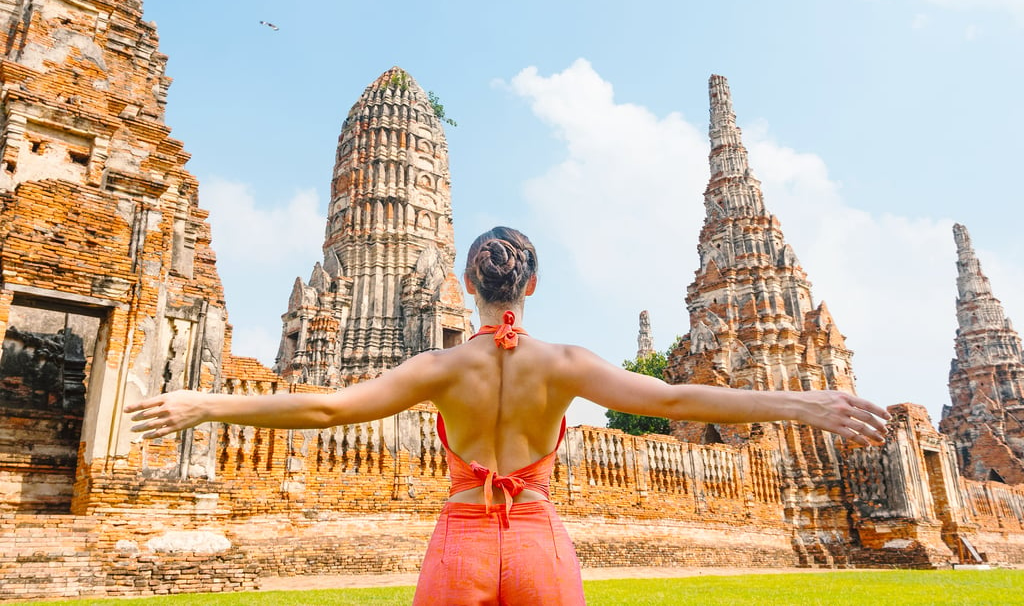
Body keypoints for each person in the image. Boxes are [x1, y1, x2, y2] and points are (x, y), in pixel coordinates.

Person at [126, 226, 890, 605]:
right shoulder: (563, 363)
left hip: (460, 542)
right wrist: (805, 403)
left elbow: (326, 405)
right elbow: (674, 400)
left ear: (467, 282)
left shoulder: (441, 366)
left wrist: (204, 402)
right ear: (533, 284)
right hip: (538, 543)